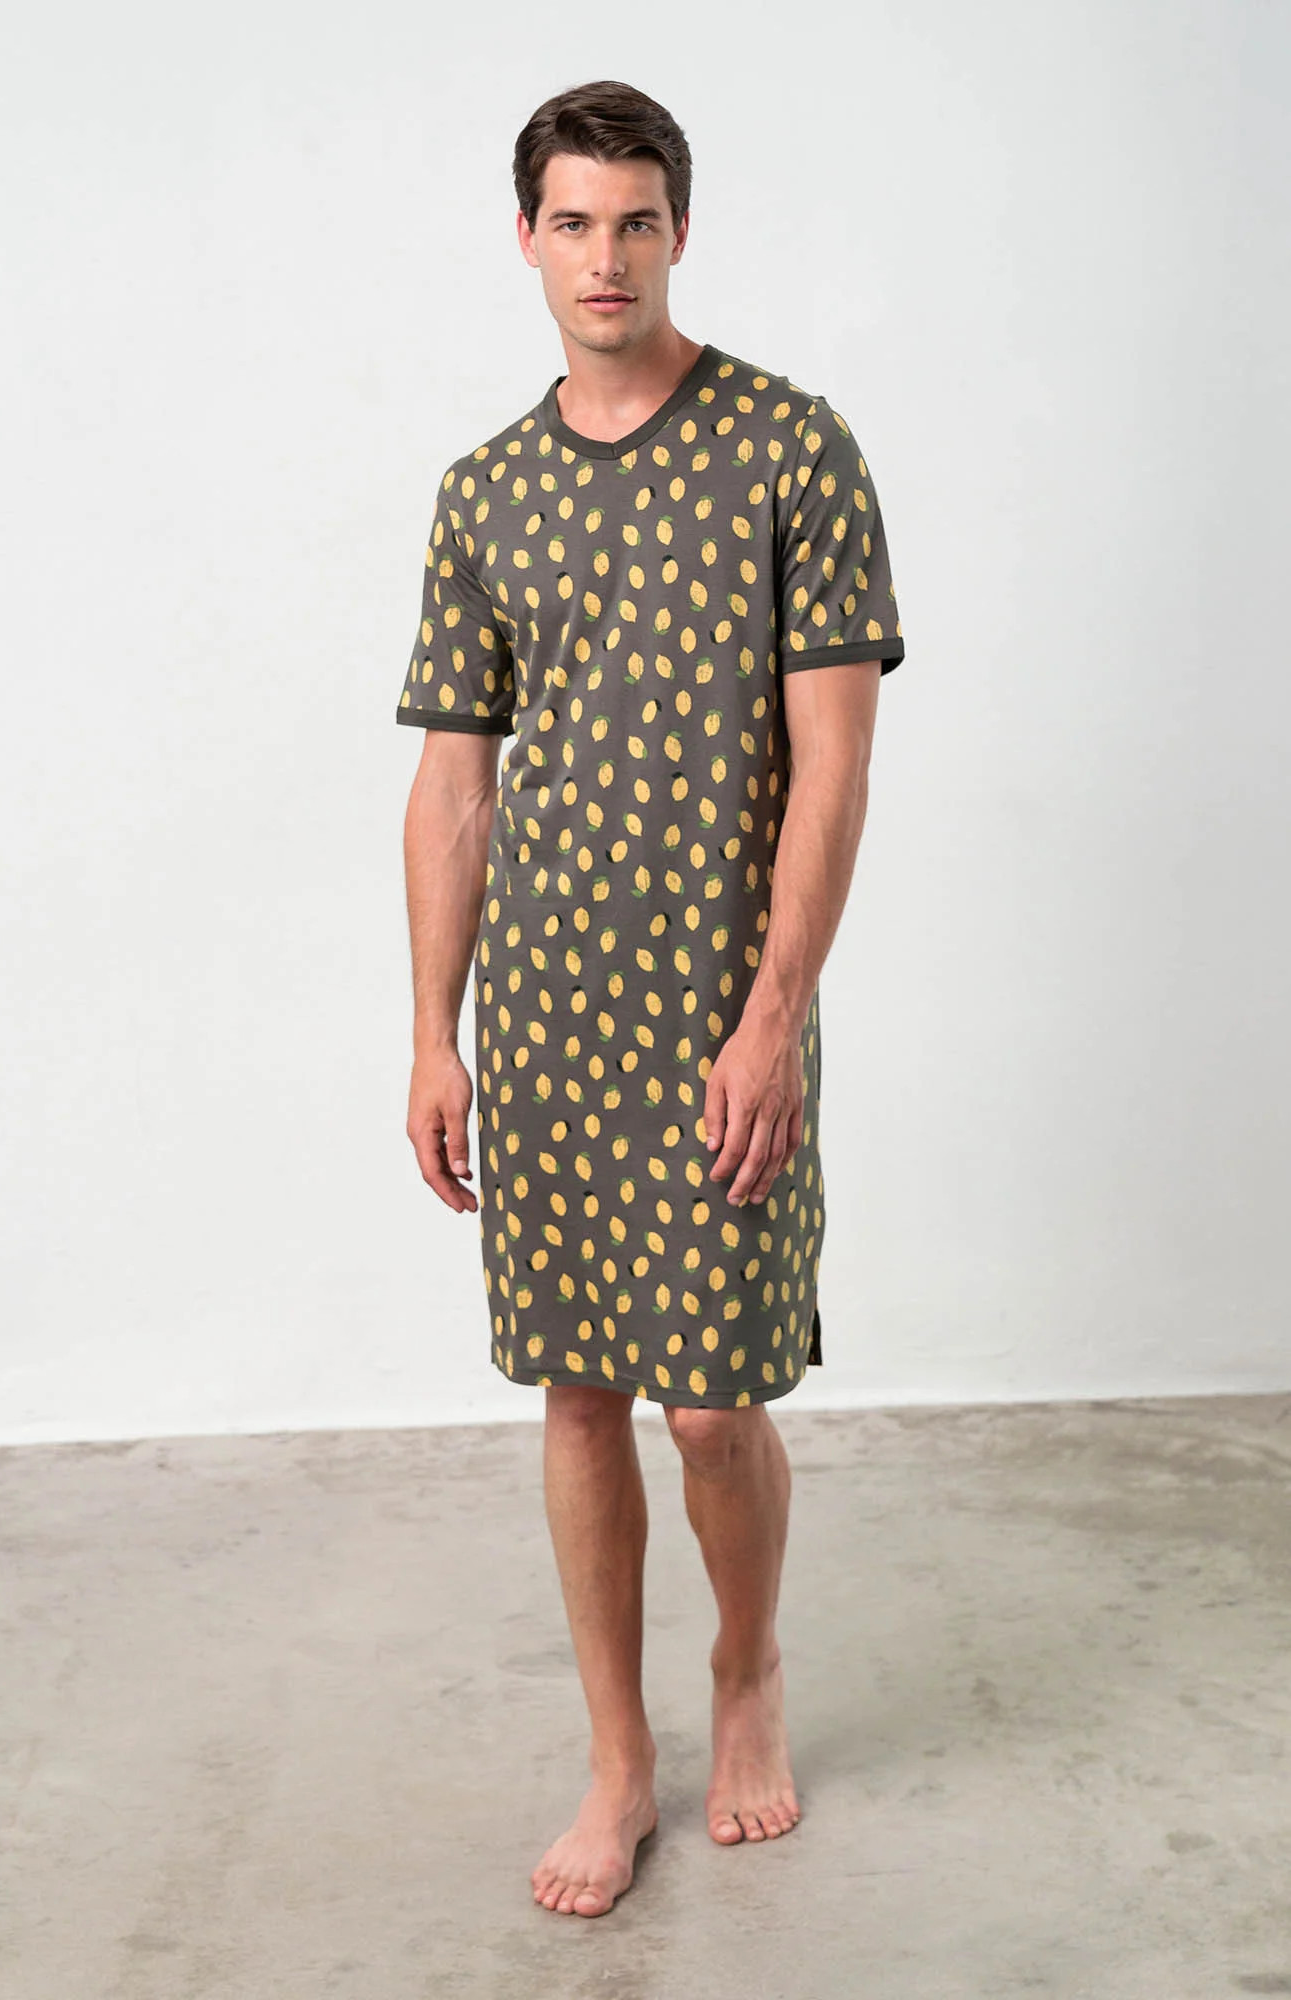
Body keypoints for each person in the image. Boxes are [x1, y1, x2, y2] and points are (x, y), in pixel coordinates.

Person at [396, 77, 905, 1919]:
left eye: (633, 221)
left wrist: (773, 1018)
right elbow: (453, 786)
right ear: (524, 239)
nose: (602, 256)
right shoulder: (484, 491)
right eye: (571, 222)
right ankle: (616, 1761)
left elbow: (831, 769)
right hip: (545, 1018)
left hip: (717, 1009)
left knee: (709, 1405)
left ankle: (743, 1667)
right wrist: (432, 1034)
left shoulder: (790, 448)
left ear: (678, 232)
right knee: (577, 1390)